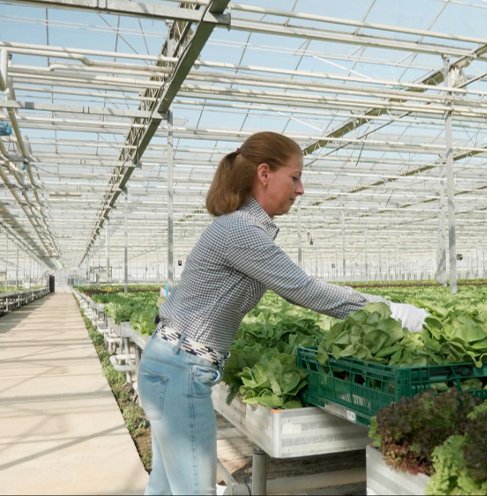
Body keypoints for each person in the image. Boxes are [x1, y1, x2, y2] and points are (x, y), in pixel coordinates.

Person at [136, 131, 427, 495]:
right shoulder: (240, 231)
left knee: (164, 490)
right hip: (180, 369)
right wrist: (396, 314)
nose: (300, 189)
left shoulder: (240, 228)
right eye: (294, 177)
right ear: (263, 173)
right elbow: (306, 290)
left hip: (170, 365)